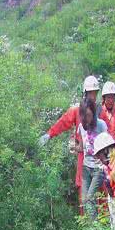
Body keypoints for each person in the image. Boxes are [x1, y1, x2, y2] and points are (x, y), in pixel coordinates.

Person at [38, 75, 100, 215]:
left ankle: (101, 228)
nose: (93, 96)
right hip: (83, 157)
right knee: (83, 191)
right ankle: (86, 227)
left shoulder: (100, 111)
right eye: (90, 93)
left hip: (98, 157)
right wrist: (49, 134)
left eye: (95, 93)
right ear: (85, 93)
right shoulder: (76, 110)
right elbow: (63, 122)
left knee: (100, 191)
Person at [77, 98, 107, 219]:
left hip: (98, 168)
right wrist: (76, 147)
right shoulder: (81, 126)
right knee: (85, 201)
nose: (87, 119)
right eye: (84, 116)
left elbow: (108, 146)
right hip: (86, 167)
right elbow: (82, 147)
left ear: (94, 113)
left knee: (90, 199)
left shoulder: (101, 125)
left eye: (89, 115)